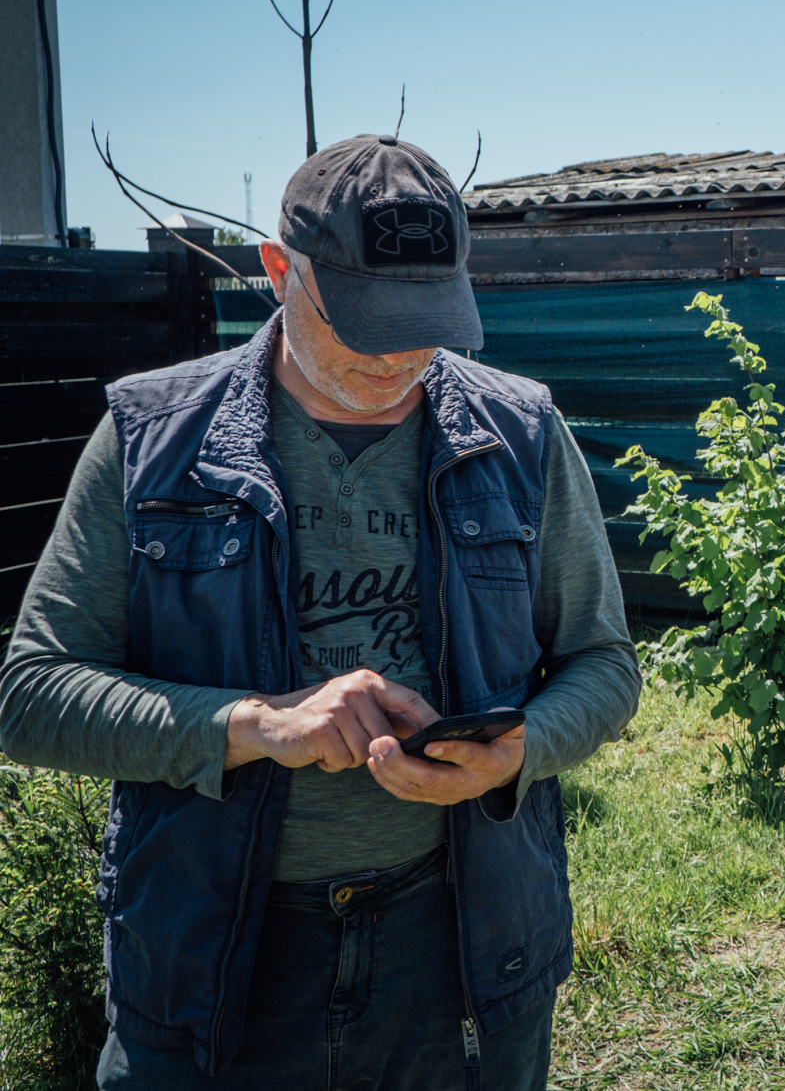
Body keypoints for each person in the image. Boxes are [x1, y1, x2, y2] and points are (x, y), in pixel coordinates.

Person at [0, 135, 641, 1089]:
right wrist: (257, 725)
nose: (400, 355)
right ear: (276, 271)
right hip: (218, 958)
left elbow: (604, 663)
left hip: (460, 949)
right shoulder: (150, 437)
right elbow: (33, 694)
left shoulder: (520, 432)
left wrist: (519, 750)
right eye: (366, 319)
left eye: (427, 320)